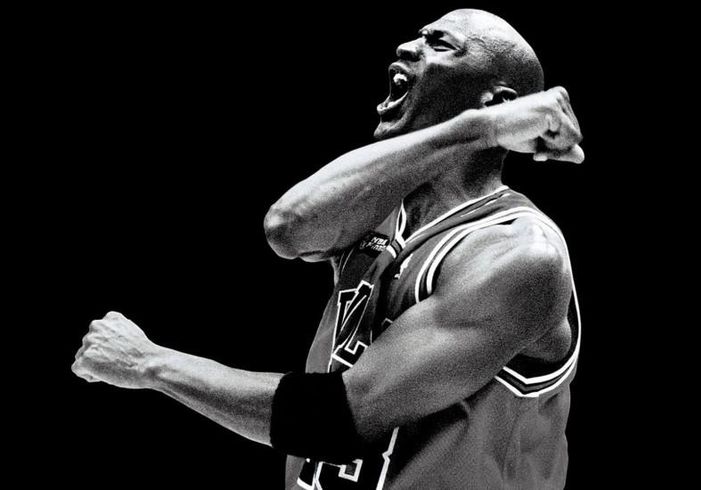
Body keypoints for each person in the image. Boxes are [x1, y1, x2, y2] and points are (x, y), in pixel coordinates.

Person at [72, 9, 583, 489]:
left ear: (498, 102)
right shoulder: (381, 210)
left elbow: (336, 420)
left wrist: (150, 364)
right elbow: (287, 228)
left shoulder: (519, 253)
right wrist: (478, 130)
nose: (408, 46)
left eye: (439, 44)